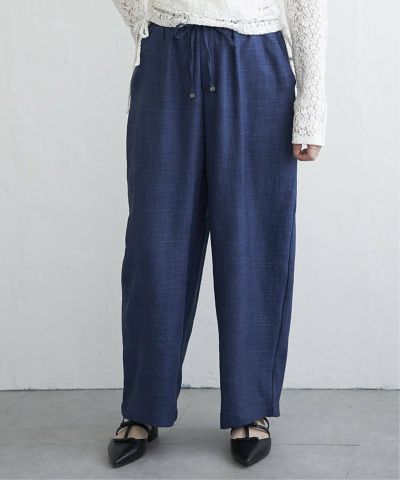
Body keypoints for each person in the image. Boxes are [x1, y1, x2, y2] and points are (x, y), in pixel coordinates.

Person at [108, 0, 327, 468]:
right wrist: (149, 23)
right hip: (166, 57)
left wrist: (311, 107)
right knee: (154, 245)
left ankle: (251, 409)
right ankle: (142, 406)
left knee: (253, 244)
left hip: (256, 60)